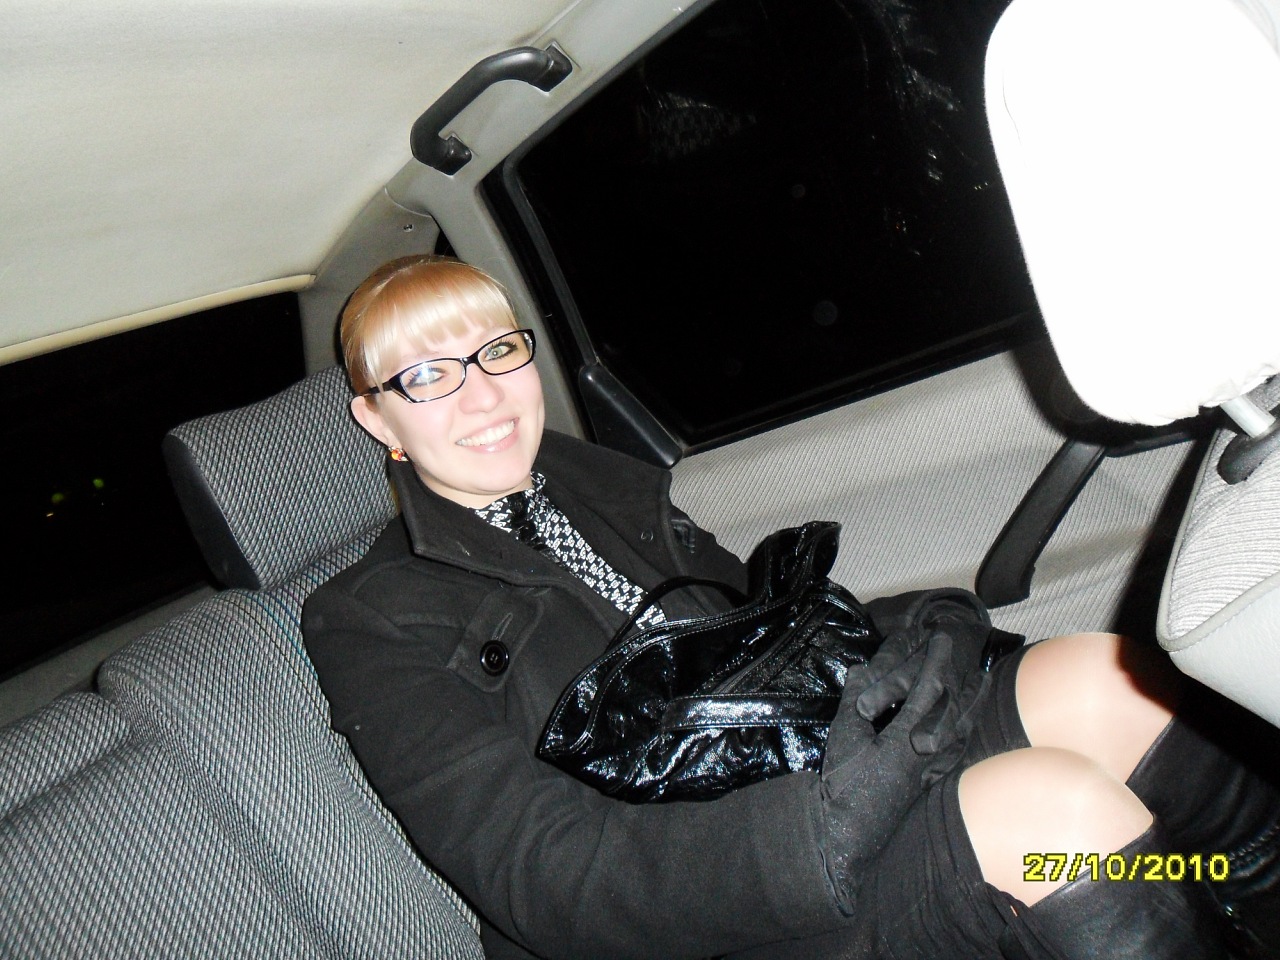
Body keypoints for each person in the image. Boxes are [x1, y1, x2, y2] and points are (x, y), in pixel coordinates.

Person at [302, 254, 1279, 960]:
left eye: (497, 351)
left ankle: (1238, 904)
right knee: (1053, 810)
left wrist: (916, 635)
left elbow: (772, 642)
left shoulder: (602, 492)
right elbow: (546, 876)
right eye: (426, 376)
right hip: (717, 900)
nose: (480, 396)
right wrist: (824, 825)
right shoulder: (369, 616)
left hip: (810, 759)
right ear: (376, 416)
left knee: (1107, 682)